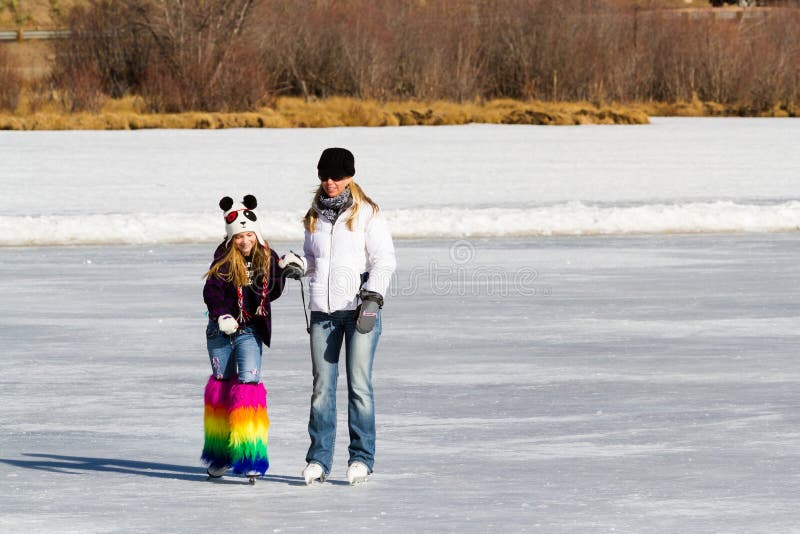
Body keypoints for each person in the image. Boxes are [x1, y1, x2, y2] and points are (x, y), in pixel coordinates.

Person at [282, 147, 396, 485]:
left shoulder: (367, 213)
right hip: (324, 313)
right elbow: (312, 260)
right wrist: (297, 266)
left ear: (350, 176)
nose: (329, 182)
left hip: (361, 309)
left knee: (359, 386)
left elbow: (384, 260)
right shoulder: (315, 214)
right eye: (324, 176)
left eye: (337, 176)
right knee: (322, 388)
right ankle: (319, 459)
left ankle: (361, 458)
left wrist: (373, 296)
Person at [201, 194, 288, 483]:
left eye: (249, 234)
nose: (245, 240)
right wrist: (223, 314)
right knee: (222, 391)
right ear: (232, 238)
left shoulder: (266, 257)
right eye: (239, 236)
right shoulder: (223, 258)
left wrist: (285, 268)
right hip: (220, 332)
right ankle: (220, 455)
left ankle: (249, 455)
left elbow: (272, 292)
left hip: (249, 332)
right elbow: (211, 291)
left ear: (256, 233)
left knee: (248, 387)